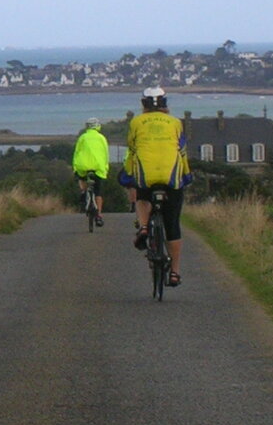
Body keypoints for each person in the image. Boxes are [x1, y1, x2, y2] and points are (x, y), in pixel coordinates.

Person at [123, 86, 192, 285]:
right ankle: (175, 272)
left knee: (142, 197)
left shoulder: (136, 122)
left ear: (143, 104)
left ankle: (144, 227)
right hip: (171, 176)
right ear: (165, 103)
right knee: (172, 225)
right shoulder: (176, 123)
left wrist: (127, 175)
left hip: (147, 175)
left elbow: (132, 151)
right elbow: (182, 152)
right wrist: (186, 175)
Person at [72, 117, 109, 227]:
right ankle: (99, 215)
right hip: (98, 167)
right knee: (98, 192)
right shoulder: (102, 138)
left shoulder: (82, 137)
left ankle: (83, 191)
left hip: (83, 166)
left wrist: (75, 167)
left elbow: (77, 152)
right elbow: (106, 154)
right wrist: (105, 168)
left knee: (81, 177)